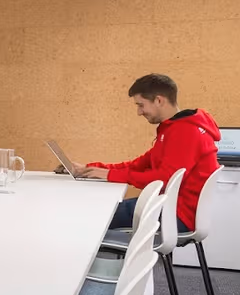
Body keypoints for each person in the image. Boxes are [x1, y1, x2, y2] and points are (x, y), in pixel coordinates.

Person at [76, 73, 220, 232]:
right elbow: (138, 165)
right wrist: (91, 168)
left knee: (93, 214)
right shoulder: (174, 129)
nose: (139, 112)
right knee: (98, 211)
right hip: (169, 206)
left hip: (176, 214)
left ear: (159, 100)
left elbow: (164, 179)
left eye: (141, 105)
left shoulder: (185, 132)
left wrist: (110, 175)